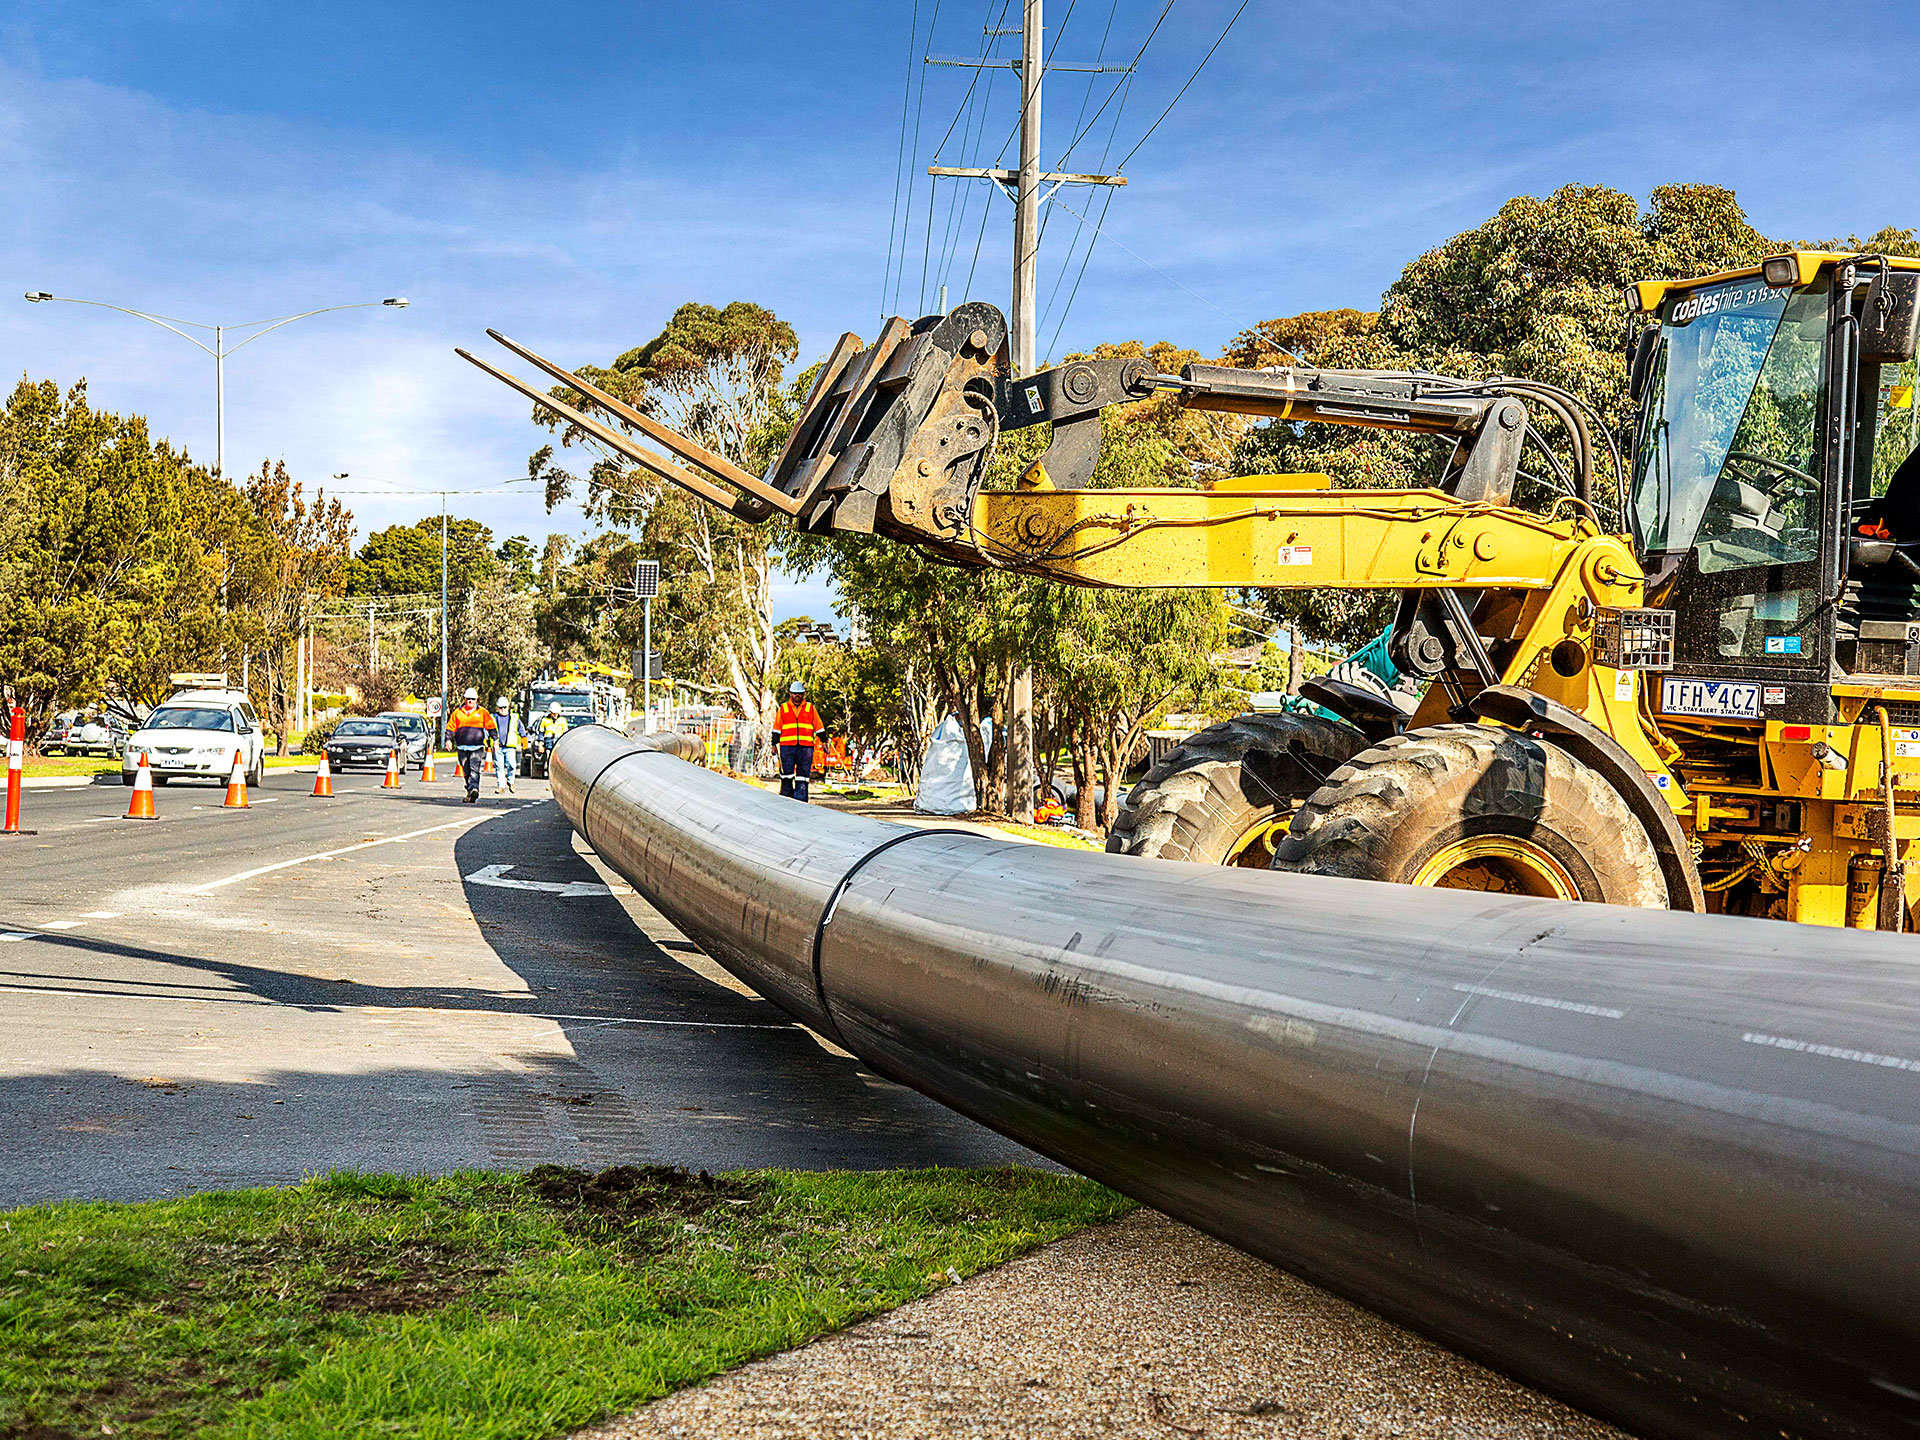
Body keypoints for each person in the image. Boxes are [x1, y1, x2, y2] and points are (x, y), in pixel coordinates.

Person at [773, 680, 824, 803]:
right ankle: (786, 799)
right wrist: (774, 745)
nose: (797, 696)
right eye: (795, 693)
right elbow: (776, 728)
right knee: (786, 774)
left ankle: (800, 801)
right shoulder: (783, 708)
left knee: (803, 776)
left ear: (803, 694)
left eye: (800, 693)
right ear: (790, 694)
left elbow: (819, 727)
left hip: (805, 748)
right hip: (787, 747)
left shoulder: (810, 708)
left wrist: (824, 742)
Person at [447, 688, 496, 803]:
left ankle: (474, 788)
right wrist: (448, 740)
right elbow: (450, 727)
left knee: (475, 769)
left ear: (476, 700)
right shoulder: (457, 713)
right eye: (468, 699)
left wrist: (495, 740)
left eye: (472, 699)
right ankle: (470, 791)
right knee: (466, 771)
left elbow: (491, 726)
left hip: (477, 747)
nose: (470, 701)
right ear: (464, 699)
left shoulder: (482, 712)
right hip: (462, 747)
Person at [492, 695, 523, 795]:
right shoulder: (493, 718)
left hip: (510, 746)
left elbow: (521, 729)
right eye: (500, 708)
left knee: (512, 765)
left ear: (508, 707)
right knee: (499, 767)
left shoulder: (514, 717)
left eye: (504, 707)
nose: (502, 710)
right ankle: (501, 786)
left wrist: (524, 740)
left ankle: (510, 782)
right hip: (498, 747)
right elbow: (487, 731)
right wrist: (489, 743)